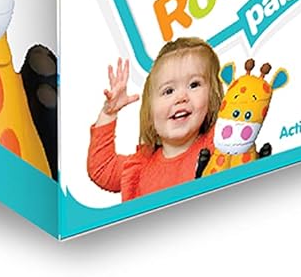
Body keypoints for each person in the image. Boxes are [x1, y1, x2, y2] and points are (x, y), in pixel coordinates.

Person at [86, 37, 222, 202]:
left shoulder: (218, 144)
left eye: (194, 85)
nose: (181, 97)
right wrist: (108, 114)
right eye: (168, 91)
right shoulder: (140, 165)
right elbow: (102, 168)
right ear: (150, 112)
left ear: (211, 96)